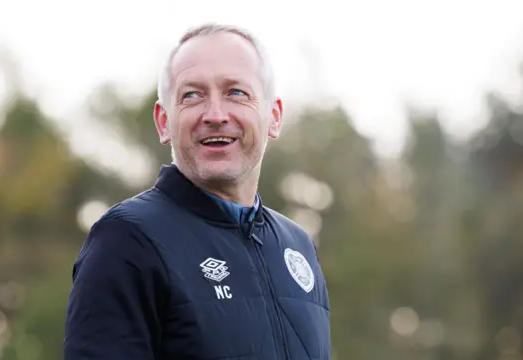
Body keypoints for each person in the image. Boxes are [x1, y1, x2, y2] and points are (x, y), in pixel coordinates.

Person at [63, 23, 332, 360]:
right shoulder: (127, 239)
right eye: (192, 95)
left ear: (274, 116)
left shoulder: (298, 246)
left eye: (236, 92)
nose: (215, 115)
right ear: (164, 122)